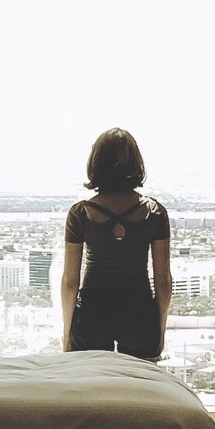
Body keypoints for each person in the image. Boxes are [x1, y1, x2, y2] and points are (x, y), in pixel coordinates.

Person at [58, 127, 172, 360]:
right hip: (139, 311)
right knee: (142, 389)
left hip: (93, 313)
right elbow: (163, 281)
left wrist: (68, 331)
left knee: (91, 389)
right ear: (136, 164)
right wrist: (159, 329)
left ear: (95, 164)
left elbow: (70, 281)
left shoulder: (80, 213)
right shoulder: (155, 212)